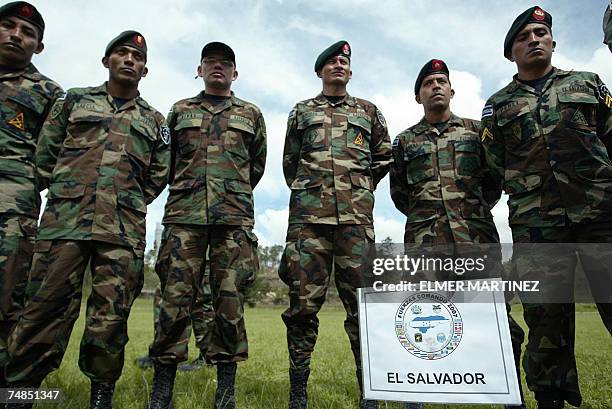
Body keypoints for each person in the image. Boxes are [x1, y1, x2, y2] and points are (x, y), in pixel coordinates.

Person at [5, 31, 169, 409]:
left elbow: (158, 175)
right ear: (106, 61)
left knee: (109, 320)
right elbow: (46, 152)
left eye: (137, 57)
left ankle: (101, 399)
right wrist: (68, 191)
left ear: (145, 70)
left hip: (121, 231)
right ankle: (19, 397)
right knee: (42, 311)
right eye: (121, 53)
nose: (129, 60)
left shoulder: (153, 120)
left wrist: (124, 202)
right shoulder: (74, 101)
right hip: (64, 223)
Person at [481, 6, 612, 409]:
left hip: (601, 216)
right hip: (537, 229)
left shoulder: (588, 84)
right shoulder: (498, 106)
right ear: (511, 53)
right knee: (545, 321)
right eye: (524, 36)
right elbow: (491, 168)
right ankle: (551, 401)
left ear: (552, 41)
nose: (534, 39)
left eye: (540, 32)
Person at [390, 59, 526, 409]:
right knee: (422, 320)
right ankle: (416, 400)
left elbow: (492, 182)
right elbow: (400, 194)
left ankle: (511, 395)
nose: (435, 86)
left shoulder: (474, 132)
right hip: (425, 245)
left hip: (475, 240)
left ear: (451, 90)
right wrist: (429, 220)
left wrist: (469, 215)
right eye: (428, 83)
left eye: (441, 81)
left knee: (495, 320)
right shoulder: (404, 142)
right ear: (418, 96)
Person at [147, 42, 266, 409]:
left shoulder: (251, 113)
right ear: (199, 70)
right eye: (211, 62)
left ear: (235, 73)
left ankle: (225, 393)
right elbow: (164, 161)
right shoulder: (180, 111)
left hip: (232, 220)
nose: (218, 67)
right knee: (174, 302)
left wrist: (231, 192)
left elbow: (255, 166)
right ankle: (162, 390)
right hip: (185, 218)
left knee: (229, 305)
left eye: (226, 63)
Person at [279, 40, 392, 409]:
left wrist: (358, 189)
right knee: (301, 308)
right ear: (320, 71)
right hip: (308, 224)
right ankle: (299, 392)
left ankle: (369, 391)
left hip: (356, 225)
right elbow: (289, 164)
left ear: (350, 70)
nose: (338, 65)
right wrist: (313, 192)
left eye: (343, 61)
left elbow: (384, 156)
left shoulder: (369, 112)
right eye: (331, 62)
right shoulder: (300, 112)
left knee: (362, 306)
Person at [0, 1, 63, 387]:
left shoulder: (48, 93)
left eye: (27, 33)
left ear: (38, 46)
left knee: (10, 298)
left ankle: (11, 389)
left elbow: (54, 154)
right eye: (8, 26)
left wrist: (22, 182)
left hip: (13, 207)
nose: (15, 35)